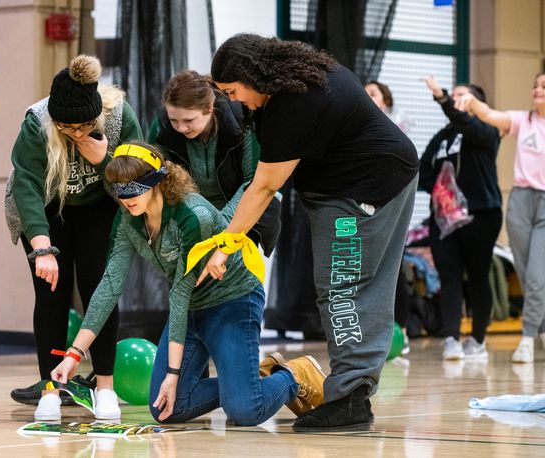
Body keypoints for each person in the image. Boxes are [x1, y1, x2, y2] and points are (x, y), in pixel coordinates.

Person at [204, 34, 419, 432]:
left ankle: (351, 400)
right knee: (348, 286)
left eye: (233, 91)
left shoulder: (296, 104)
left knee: (344, 287)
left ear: (254, 76)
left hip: (365, 188)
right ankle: (350, 392)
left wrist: (225, 244)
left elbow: (265, 187)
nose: (234, 101)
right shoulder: (295, 80)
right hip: (355, 184)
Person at [50, 142, 326, 426]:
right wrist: (74, 354)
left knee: (246, 411)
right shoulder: (128, 219)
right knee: (166, 408)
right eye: (118, 190)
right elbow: (110, 284)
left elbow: (180, 294)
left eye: (133, 188)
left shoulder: (194, 216)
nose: (125, 198)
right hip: (193, 308)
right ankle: (245, 382)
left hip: (232, 302)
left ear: (155, 180)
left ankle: (293, 374)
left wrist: (172, 375)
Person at [5, 55, 142, 421]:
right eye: (67, 127)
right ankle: (51, 388)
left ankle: (105, 388)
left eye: (84, 126)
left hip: (99, 205)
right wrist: (41, 247)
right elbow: (28, 187)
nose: (77, 134)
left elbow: (141, 177)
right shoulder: (37, 123)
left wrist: (105, 159)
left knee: (101, 288)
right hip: (48, 208)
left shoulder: (119, 116)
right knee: (51, 292)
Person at [455, 73, 545, 364]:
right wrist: (472, 102)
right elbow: (491, 115)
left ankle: (528, 337)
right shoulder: (524, 121)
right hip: (520, 200)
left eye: (544, 86)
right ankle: (542, 326)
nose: (537, 90)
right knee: (525, 272)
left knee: (536, 276)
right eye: (535, 85)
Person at [147, 70, 281, 255]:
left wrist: (220, 226)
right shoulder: (162, 126)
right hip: (189, 215)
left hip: (241, 212)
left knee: (239, 279)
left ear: (209, 108)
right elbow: (155, 176)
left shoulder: (243, 120)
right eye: (174, 120)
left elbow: (253, 182)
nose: (181, 127)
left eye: (189, 120)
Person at [419, 77, 502, 361]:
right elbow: (422, 170)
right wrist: (440, 192)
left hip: (481, 214)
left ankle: (477, 340)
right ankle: (451, 338)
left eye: (462, 96)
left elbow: (468, 123)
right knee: (449, 277)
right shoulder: (443, 136)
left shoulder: (487, 130)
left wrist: (442, 98)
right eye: (453, 95)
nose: (455, 100)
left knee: (478, 277)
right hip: (444, 218)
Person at [364, 80, 414, 356]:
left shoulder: (394, 131)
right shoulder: (355, 128)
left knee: (394, 271)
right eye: (364, 93)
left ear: (386, 102)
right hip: (364, 209)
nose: (367, 97)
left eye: (373, 94)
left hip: (392, 207)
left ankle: (402, 332)